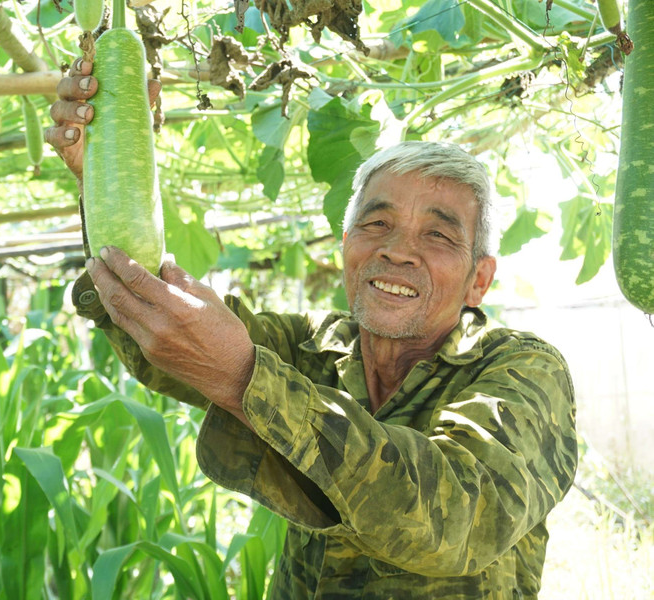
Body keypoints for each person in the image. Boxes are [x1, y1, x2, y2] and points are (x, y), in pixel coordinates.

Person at [47, 58, 578, 599]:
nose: (397, 251)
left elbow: (457, 520)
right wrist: (108, 175)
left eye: (438, 237)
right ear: (345, 246)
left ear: (478, 280)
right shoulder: (309, 349)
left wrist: (245, 378)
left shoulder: (523, 369)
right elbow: (164, 323)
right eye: (376, 224)